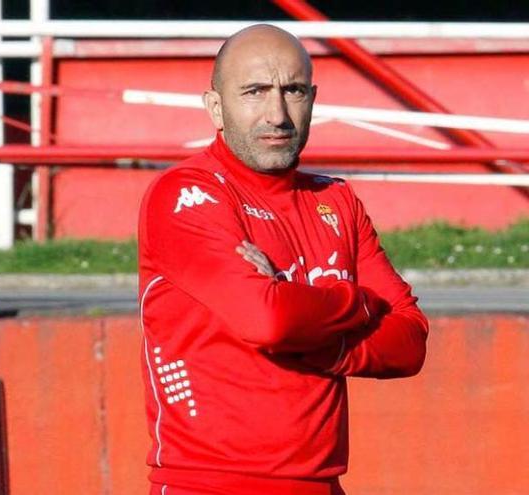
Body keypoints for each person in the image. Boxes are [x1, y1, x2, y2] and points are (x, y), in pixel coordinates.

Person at [137, 25, 429, 495]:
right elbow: (268, 321)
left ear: (312, 98)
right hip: (209, 485)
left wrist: (318, 336)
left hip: (322, 484)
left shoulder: (336, 198)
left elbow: (410, 343)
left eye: (292, 91)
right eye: (254, 92)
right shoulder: (185, 194)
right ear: (215, 106)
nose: (277, 114)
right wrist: (357, 302)